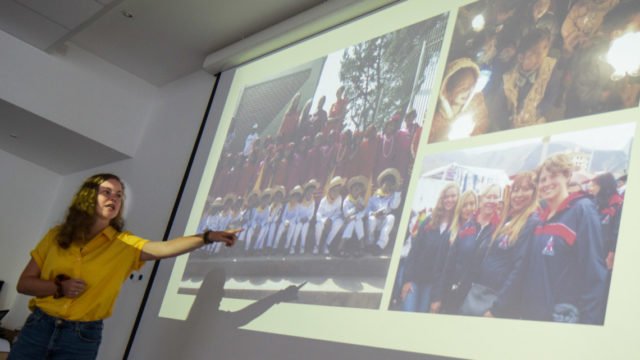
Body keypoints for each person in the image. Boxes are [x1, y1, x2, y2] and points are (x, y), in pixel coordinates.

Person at [9, 174, 239, 360]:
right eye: (107, 192)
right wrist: (58, 288)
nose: (115, 198)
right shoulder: (56, 236)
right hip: (38, 327)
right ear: (88, 197)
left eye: (119, 195)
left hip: (80, 337)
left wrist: (207, 237)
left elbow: (165, 249)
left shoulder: (124, 243)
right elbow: (24, 284)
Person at [521, 153, 608, 324]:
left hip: (561, 316)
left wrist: (588, 325)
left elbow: (594, 272)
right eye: (542, 180)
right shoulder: (540, 218)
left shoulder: (582, 210)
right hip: (532, 313)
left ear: (567, 176)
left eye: (553, 176)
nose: (546, 183)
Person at [476, 172, 540, 318]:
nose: (518, 195)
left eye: (525, 189)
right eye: (516, 190)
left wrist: (497, 309)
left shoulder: (531, 222)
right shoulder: (509, 219)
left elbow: (519, 269)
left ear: (534, 192)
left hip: (497, 302)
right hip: (484, 293)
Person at [433, 183, 501, 314]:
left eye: (495, 197)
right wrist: (437, 296)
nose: (491, 201)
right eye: (488, 196)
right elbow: (449, 264)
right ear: (481, 199)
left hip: (479, 299)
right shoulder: (467, 226)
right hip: (453, 293)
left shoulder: (499, 229)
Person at [400, 183, 460, 313]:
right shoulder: (429, 221)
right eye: (446, 196)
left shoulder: (458, 227)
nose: (449, 199)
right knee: (408, 312)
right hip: (415, 279)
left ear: (458, 198)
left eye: (453, 196)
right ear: (441, 199)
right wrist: (407, 280)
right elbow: (414, 251)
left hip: (432, 284)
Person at [588, 172, 623, 270]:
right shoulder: (594, 202)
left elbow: (616, 232)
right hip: (592, 252)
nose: (591, 188)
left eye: (594, 185)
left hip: (605, 255)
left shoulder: (618, 205)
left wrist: (612, 252)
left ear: (604, 186)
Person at [314, 176, 345, 255]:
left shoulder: (339, 198)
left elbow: (338, 212)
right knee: (318, 226)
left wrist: (331, 220)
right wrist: (325, 220)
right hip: (323, 220)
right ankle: (316, 246)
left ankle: (326, 244)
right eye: (334, 190)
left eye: (338, 191)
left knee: (340, 222)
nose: (336, 193)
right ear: (330, 190)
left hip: (332, 219)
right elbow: (318, 214)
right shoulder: (324, 200)